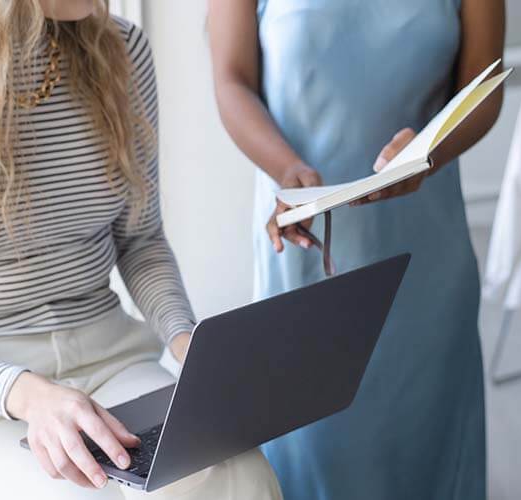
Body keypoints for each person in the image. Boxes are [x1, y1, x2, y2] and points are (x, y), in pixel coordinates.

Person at [0, 0, 281, 498]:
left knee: (235, 474)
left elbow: (140, 239)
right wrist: (32, 397)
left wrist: (188, 343)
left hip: (110, 357)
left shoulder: (124, 50)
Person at [207, 0, 504, 499]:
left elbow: (483, 88)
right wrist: (285, 170)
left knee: (426, 454)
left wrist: (428, 150)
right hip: (304, 254)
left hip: (425, 260)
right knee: (313, 458)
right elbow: (231, 78)